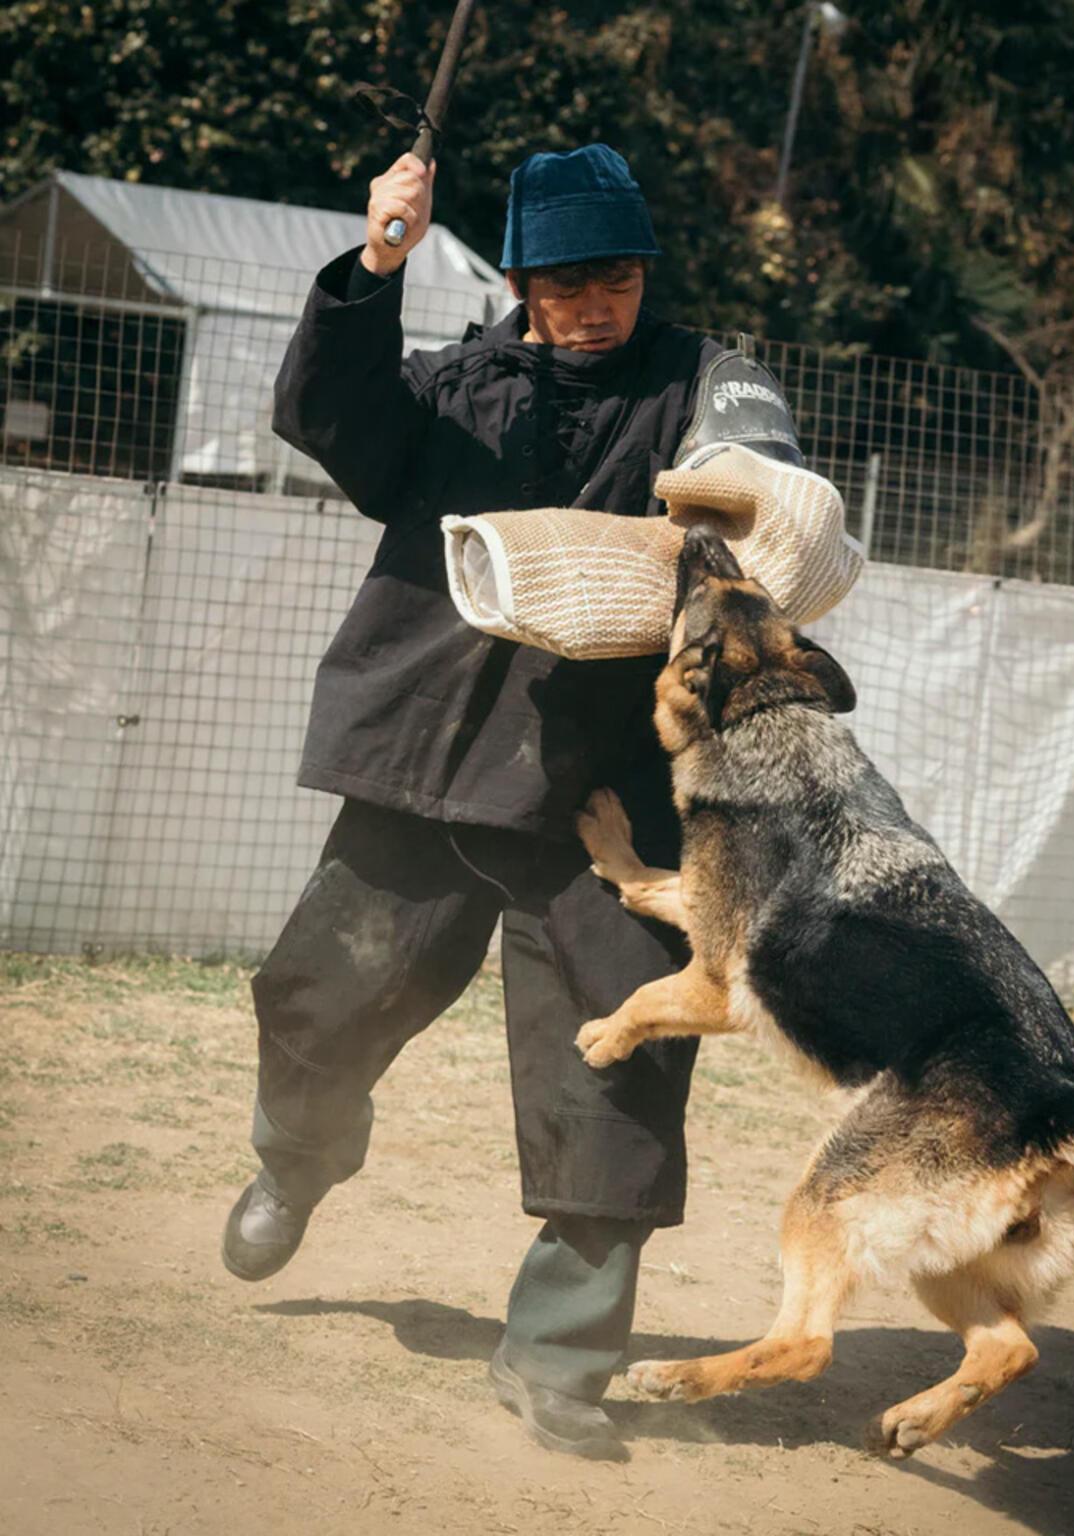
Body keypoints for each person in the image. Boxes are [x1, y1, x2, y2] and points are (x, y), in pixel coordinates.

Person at [221, 143, 800, 1462]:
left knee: (625, 1072)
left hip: (613, 799)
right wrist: (379, 263)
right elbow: (329, 416)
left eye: (619, 275)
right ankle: (297, 1161)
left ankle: (557, 1362)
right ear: (524, 283)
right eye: (566, 280)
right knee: (317, 999)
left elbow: (769, 463)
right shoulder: (456, 388)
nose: (598, 302)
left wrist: (752, 473)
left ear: (648, 273)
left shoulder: (710, 372)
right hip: (428, 763)